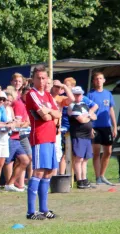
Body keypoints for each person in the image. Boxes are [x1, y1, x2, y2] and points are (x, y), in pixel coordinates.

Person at [25, 65, 61, 220]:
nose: (41, 80)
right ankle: (31, 211)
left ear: (47, 79)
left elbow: (58, 113)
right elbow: (46, 117)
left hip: (51, 136)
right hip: (40, 137)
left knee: (48, 172)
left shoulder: (47, 95)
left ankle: (44, 209)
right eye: (38, 78)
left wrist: (51, 113)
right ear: (33, 79)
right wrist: (51, 114)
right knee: (39, 171)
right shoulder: (32, 94)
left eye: (43, 78)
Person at [87, 72, 117, 185]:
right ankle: (98, 177)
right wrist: (89, 127)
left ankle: (102, 175)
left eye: (100, 78)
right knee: (96, 152)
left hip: (106, 126)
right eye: (96, 79)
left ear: (104, 80)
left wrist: (114, 126)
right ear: (94, 81)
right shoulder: (90, 95)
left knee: (108, 151)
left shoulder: (108, 94)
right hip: (95, 127)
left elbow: (111, 110)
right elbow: (87, 111)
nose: (99, 80)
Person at [68, 86, 98, 189]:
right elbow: (81, 120)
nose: (78, 96)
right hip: (78, 135)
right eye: (76, 94)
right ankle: (79, 180)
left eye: (80, 94)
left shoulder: (84, 105)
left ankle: (84, 179)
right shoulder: (72, 106)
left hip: (87, 135)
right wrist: (89, 116)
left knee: (85, 159)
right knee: (79, 158)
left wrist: (88, 116)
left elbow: (94, 116)